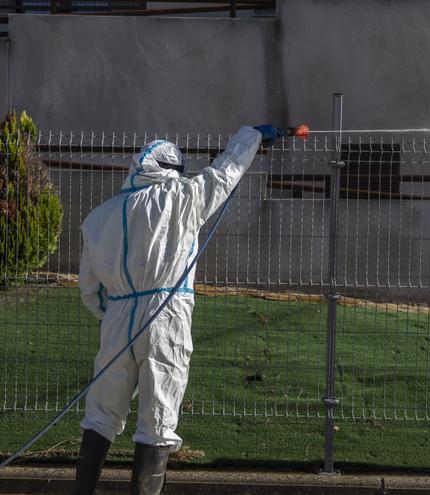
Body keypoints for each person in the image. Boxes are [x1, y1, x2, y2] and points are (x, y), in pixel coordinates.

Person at [73, 125, 278, 495]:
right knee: (158, 418)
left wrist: (117, 312)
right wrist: (253, 135)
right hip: (166, 315)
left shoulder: (99, 218)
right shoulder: (184, 196)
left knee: (101, 413)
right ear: (173, 168)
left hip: (118, 320)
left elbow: (89, 289)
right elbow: (226, 170)